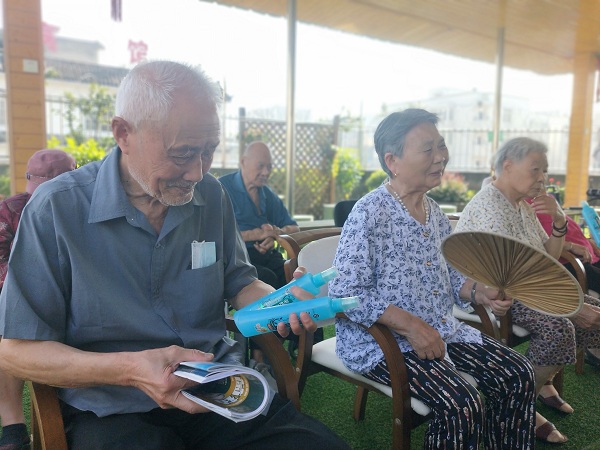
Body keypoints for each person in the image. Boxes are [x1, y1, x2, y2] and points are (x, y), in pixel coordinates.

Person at [0, 61, 349, 450]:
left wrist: (280, 301)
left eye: (209, 151)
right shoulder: (57, 209)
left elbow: (240, 282)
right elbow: (16, 352)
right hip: (111, 407)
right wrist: (132, 370)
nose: (198, 172)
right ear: (123, 133)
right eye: (183, 154)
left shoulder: (211, 196)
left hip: (217, 390)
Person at [329, 109, 536, 449]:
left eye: (441, 146)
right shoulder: (369, 213)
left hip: (440, 330)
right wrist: (411, 326)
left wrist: (479, 292)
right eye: (428, 149)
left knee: (517, 373)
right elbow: (345, 293)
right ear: (392, 160)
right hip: (384, 343)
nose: (441, 156)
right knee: (462, 404)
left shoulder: (434, 211)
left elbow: (453, 278)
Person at [455, 136, 600, 444]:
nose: (542, 178)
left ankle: (541, 378)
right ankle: (516, 405)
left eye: (543, 171)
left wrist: (559, 221)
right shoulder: (490, 208)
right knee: (560, 327)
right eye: (536, 169)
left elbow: (546, 255)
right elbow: (514, 282)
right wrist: (574, 309)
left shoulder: (520, 205)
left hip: (528, 286)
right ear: (507, 166)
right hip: (496, 293)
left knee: (594, 314)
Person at [0, 148, 75, 450]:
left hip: (76, 301)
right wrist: (25, 284)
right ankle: (14, 428)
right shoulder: (10, 210)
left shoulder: (83, 207)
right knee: (8, 327)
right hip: (22, 298)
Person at [219, 141, 300, 289]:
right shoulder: (222, 189)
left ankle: (293, 313)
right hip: (237, 259)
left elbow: (295, 228)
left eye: (269, 167)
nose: (266, 172)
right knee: (268, 278)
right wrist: (257, 234)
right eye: (261, 166)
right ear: (243, 162)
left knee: (294, 275)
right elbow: (214, 234)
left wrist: (275, 234)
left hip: (267, 255)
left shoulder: (267, 194)